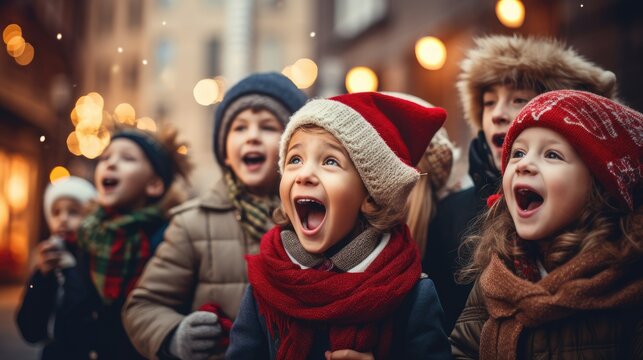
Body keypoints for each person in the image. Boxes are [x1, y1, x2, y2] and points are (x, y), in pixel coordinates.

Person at [227, 92, 452, 359]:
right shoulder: (265, 285)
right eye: (295, 159)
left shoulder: (412, 295)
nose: (305, 174)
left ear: (369, 196)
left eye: (330, 161)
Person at [424, 34, 620, 332]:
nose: (499, 114)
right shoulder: (448, 214)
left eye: (519, 100)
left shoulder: (613, 224)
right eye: (489, 103)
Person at [122, 72, 307, 360]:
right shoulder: (192, 224)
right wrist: (175, 334)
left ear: (294, 148)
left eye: (268, 127)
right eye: (240, 128)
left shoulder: (312, 219)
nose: (253, 136)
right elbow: (142, 306)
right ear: (225, 152)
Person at [450, 90, 643, 359]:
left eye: (552, 155)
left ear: (600, 185)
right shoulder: (498, 274)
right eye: (518, 153)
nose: (524, 165)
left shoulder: (629, 280)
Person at [54, 125, 191, 359]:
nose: (111, 163)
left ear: (155, 185)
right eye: (106, 157)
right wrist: (44, 277)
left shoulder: (170, 238)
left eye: (127, 158)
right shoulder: (83, 236)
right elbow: (37, 328)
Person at [16, 176, 96, 359]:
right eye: (56, 212)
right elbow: (29, 329)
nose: (63, 219)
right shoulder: (50, 258)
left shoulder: (97, 259)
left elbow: (82, 319)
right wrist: (41, 277)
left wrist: (70, 271)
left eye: (73, 212)